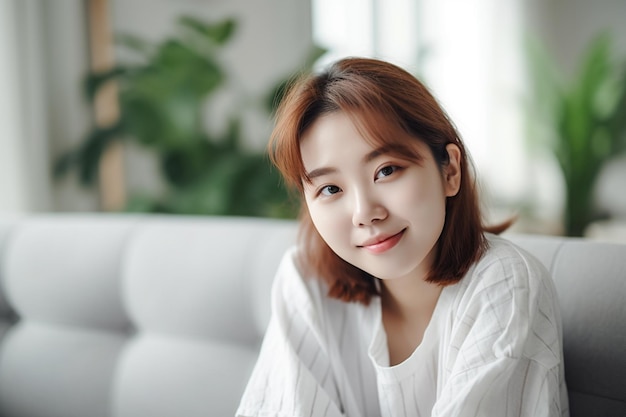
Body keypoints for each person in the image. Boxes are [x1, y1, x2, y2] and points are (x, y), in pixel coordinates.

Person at [236, 57, 568, 417]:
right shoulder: (305, 280)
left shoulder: (504, 284)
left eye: (387, 170)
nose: (365, 212)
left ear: (450, 170)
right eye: (331, 188)